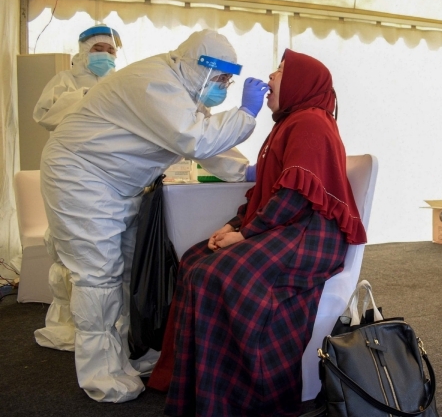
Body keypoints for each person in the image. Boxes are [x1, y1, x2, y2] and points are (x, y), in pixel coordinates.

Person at [38, 29, 268, 403]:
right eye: (222, 78)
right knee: (98, 276)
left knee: (132, 272)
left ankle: (134, 351)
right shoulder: (154, 81)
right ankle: (103, 375)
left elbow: (202, 140)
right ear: (199, 67)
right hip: (79, 176)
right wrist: (245, 114)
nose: (224, 86)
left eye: (230, 80)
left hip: (115, 184)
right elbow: (194, 139)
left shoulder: (181, 91)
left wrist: (243, 172)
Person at [154, 49, 366, 416]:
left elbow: (296, 194)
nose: (269, 77)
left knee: (215, 275)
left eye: (281, 71)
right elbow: (267, 194)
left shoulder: (309, 123)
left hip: (310, 235)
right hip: (290, 226)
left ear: (301, 83)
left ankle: (236, 398)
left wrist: (247, 233)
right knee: (193, 259)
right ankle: (198, 387)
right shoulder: (289, 123)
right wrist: (234, 225)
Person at [32, 24, 123, 353]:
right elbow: (43, 115)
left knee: (105, 247)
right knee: (71, 246)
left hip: (108, 172)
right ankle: (71, 323)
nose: (106, 57)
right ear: (84, 52)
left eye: (111, 51)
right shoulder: (65, 82)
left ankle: (109, 321)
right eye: (100, 50)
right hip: (69, 173)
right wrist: (82, 97)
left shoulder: (120, 82)